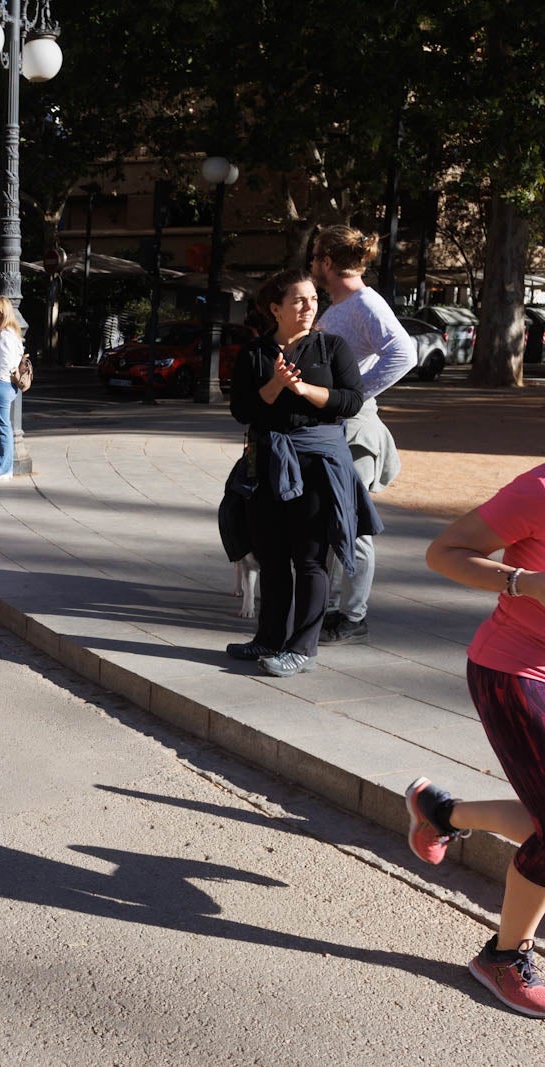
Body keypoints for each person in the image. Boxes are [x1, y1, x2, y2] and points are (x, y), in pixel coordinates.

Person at [407, 463, 545, 1016]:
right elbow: (444, 552)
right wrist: (524, 583)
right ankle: (504, 957)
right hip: (514, 671)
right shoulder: (539, 489)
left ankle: (442, 812)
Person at [226, 268, 380, 677]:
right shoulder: (255, 354)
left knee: (310, 559)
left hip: (317, 465)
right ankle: (269, 638)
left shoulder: (332, 348)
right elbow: (242, 410)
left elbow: (351, 400)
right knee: (272, 557)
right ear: (276, 309)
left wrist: (304, 390)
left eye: (313, 298)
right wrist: (275, 385)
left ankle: (302, 648)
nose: (309, 306)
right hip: (268, 462)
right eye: (299, 300)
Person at [311, 225, 417, 647]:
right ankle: (337, 609)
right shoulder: (341, 304)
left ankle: (353, 617)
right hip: (336, 426)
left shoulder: (365, 303)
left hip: (353, 431)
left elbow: (403, 353)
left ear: (330, 263)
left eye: (316, 256)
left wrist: (352, 395)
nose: (313, 263)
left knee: (352, 528)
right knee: (334, 523)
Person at [0, 294, 26, 481]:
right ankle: (3, 468)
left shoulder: (4, 335)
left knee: (1, 427)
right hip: (5, 384)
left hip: (1, 383)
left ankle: (3, 470)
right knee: (2, 426)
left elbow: (5, 365)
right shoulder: (9, 333)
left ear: (1, 312)